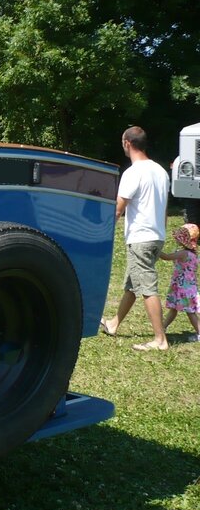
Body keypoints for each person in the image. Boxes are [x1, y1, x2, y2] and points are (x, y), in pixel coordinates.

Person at [99, 126, 170, 350]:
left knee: (148, 287)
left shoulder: (133, 172)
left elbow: (119, 208)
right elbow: (165, 209)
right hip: (156, 235)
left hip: (141, 237)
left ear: (128, 143)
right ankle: (113, 324)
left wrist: (101, 231)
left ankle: (160, 340)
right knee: (132, 284)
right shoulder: (160, 171)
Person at [160, 223, 200, 341]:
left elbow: (167, 257)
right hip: (186, 287)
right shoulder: (193, 254)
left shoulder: (183, 253)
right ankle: (162, 328)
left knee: (190, 312)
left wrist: (156, 250)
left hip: (183, 288)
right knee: (174, 308)